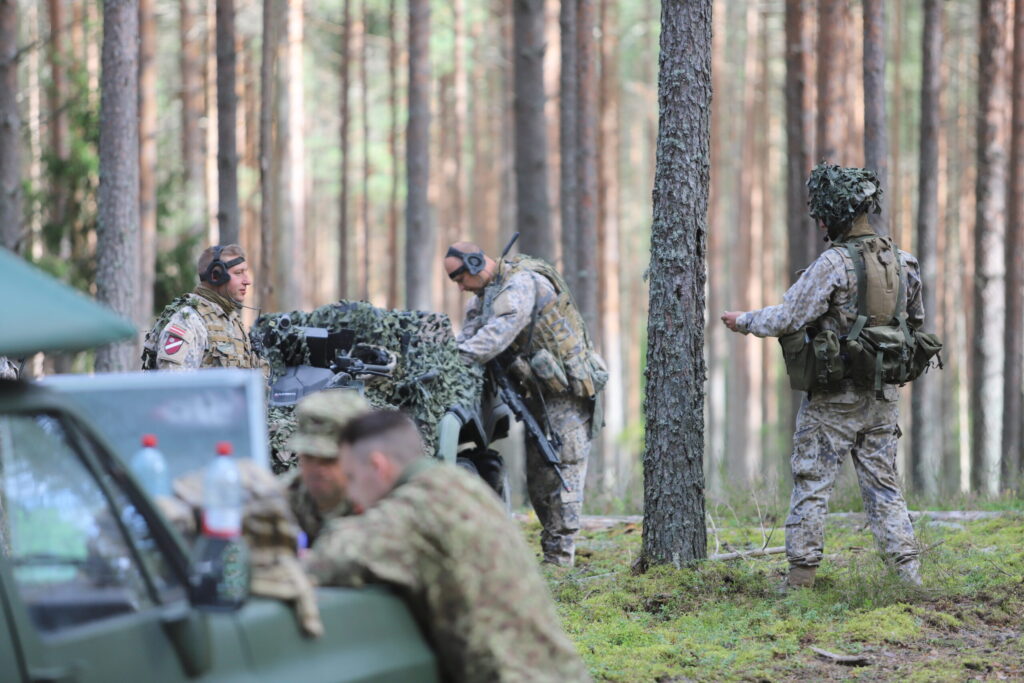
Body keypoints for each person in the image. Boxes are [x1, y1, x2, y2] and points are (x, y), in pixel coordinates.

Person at [721, 162, 924, 588]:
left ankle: (800, 580)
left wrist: (743, 320)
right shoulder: (905, 262)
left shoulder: (834, 263)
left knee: (813, 480)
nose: (817, 222)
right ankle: (909, 578)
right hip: (883, 396)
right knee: (885, 486)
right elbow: (915, 322)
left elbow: (790, 316)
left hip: (834, 399)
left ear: (835, 215)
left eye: (821, 215)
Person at [303, 409, 591, 682]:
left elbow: (330, 559)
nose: (350, 492)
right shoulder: (459, 486)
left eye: (351, 478)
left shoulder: (414, 509)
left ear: (378, 466)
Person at [444, 241, 606, 567]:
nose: (460, 287)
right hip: (538, 392)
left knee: (564, 472)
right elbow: (469, 338)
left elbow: (494, 337)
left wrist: (451, 359)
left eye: (460, 278)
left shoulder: (520, 284)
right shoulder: (484, 298)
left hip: (567, 394)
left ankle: (561, 560)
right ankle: (552, 556)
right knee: (540, 477)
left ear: (476, 264)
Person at [142, 244, 264, 371]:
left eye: (245, 272)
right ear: (216, 276)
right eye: (238, 273)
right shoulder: (188, 320)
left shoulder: (230, 319)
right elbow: (173, 385)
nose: (247, 281)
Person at [282, 390, 371, 547]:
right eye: (309, 457)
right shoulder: (283, 497)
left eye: (329, 460)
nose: (317, 470)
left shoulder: (381, 505)